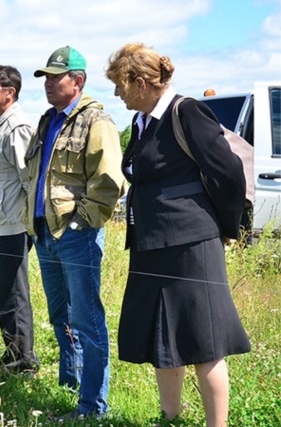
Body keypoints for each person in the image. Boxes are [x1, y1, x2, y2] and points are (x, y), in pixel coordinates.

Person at [106, 42, 250, 427]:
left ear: (140, 82)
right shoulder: (142, 122)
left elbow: (229, 174)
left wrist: (224, 227)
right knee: (162, 337)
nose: (116, 94)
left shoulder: (185, 111)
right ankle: (170, 418)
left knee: (205, 342)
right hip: (152, 244)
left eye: (120, 85)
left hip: (190, 244)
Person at [24, 46, 125, 421]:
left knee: (87, 320)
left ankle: (92, 407)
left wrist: (81, 223)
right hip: (44, 233)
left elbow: (109, 180)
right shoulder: (47, 119)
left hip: (75, 235)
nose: (48, 84)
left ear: (77, 81)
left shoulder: (96, 120)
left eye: (55, 77)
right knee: (59, 317)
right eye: (46, 77)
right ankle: (71, 387)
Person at [0, 65, 39, 374]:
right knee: (4, 294)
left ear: (9, 92)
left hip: (11, 225)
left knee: (13, 295)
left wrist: (29, 224)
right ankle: (14, 354)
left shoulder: (16, 127)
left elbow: (30, 180)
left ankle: (22, 361)